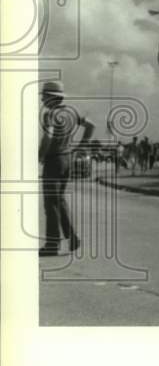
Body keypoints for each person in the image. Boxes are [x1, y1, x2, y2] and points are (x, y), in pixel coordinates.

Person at [38, 80, 95, 256]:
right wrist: (82, 146)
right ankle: (72, 235)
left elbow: (48, 136)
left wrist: (39, 156)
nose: (42, 100)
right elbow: (91, 125)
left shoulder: (50, 114)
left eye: (44, 96)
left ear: (51, 97)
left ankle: (52, 244)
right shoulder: (72, 112)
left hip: (54, 160)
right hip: (67, 159)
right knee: (59, 200)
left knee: (51, 204)